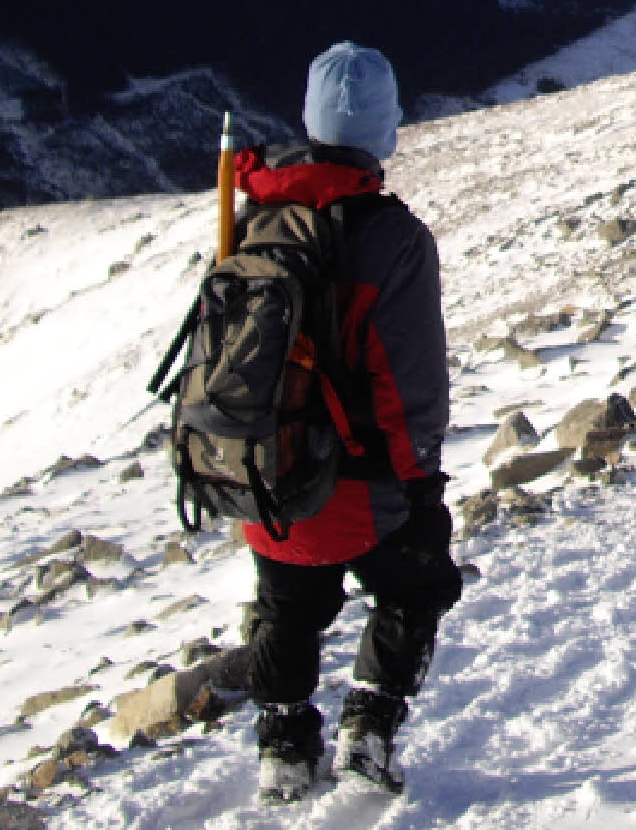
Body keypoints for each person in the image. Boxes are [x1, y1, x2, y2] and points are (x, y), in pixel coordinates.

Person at [241, 42, 461, 801]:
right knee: (416, 587)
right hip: (360, 489)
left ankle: (282, 744)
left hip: (264, 481)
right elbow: (410, 390)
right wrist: (421, 484)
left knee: (287, 608)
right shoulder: (393, 238)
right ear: (385, 127)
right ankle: (368, 727)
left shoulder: (255, 220)